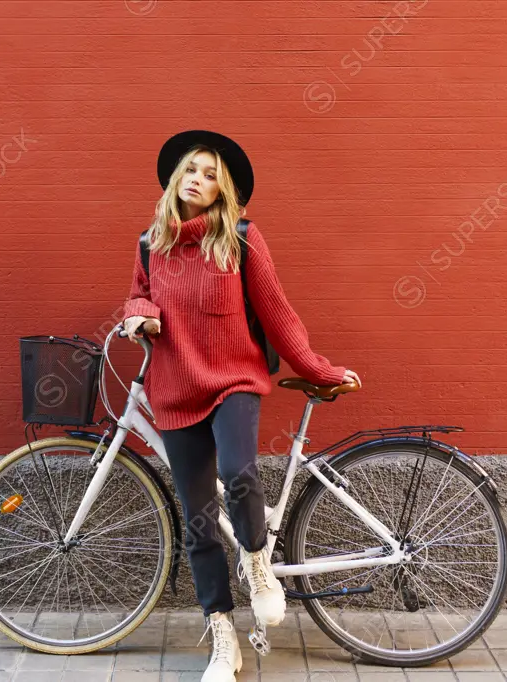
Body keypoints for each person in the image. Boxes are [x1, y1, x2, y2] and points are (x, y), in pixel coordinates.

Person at [121, 130, 361, 682]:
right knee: (199, 523)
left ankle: (257, 568)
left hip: (234, 380)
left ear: (222, 190)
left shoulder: (243, 240)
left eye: (210, 174)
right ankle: (223, 642)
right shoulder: (150, 244)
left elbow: (277, 314)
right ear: (175, 181)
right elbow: (137, 291)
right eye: (191, 170)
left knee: (238, 471)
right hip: (175, 389)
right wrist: (138, 313)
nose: (197, 179)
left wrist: (319, 369)